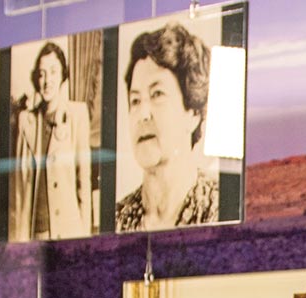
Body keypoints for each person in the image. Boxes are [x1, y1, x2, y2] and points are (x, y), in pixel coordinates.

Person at [116, 22, 218, 231]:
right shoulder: (118, 218)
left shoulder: (217, 208)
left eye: (157, 94)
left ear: (193, 113)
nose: (143, 114)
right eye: (135, 100)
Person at [13, 40, 95, 240]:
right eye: (42, 73)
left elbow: (83, 182)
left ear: (63, 76)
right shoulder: (27, 121)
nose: (47, 80)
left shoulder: (77, 114)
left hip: (68, 234)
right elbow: (19, 189)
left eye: (53, 72)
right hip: (35, 234)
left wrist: (84, 239)